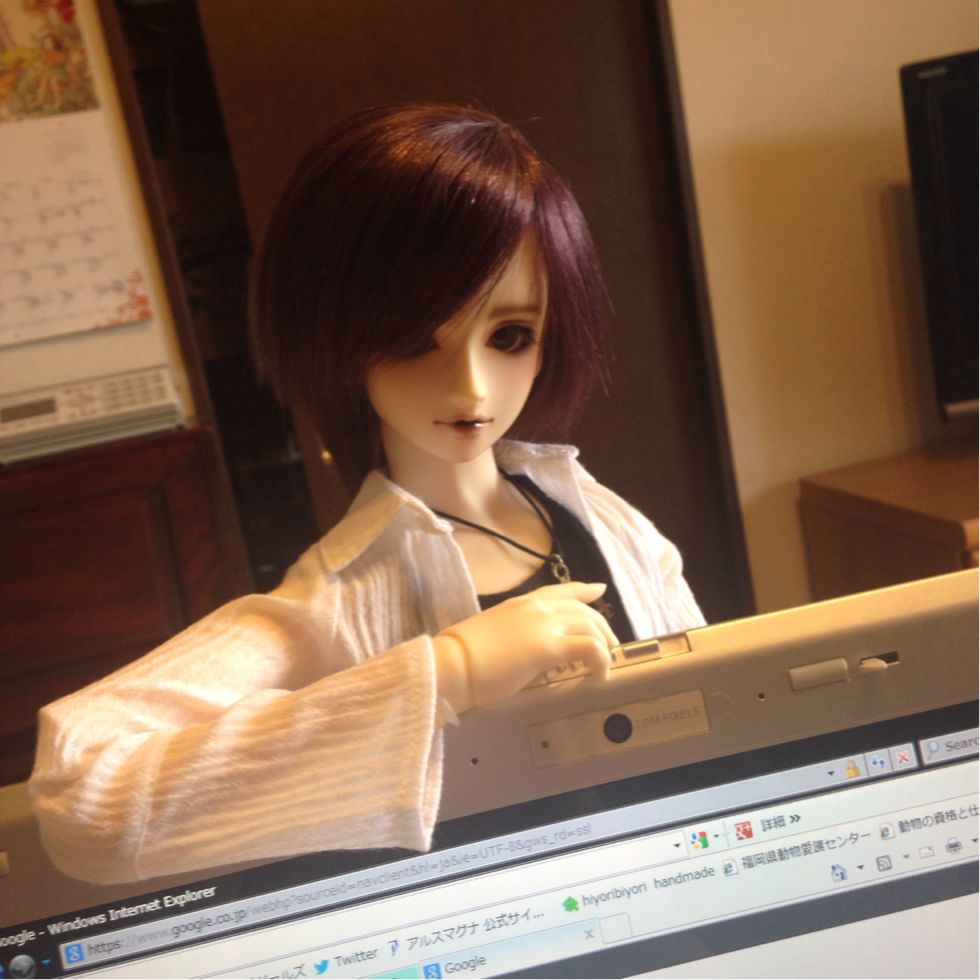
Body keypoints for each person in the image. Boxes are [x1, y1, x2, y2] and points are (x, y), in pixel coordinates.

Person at [28, 103, 704, 885]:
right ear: (340, 340)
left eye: (510, 336)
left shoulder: (608, 521)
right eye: (417, 340)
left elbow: (713, 700)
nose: (471, 385)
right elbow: (82, 797)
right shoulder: (339, 600)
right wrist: (443, 674)